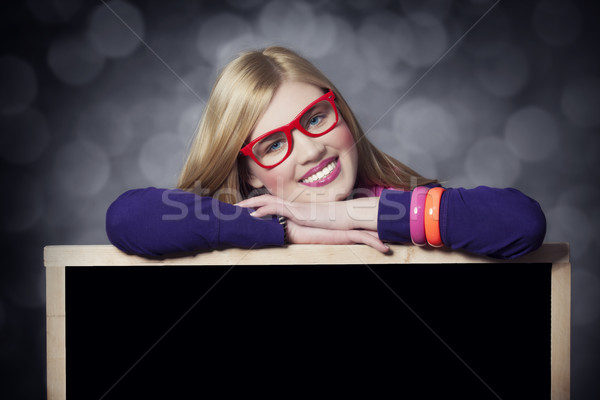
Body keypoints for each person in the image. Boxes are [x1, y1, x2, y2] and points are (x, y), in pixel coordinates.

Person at [106, 46, 546, 259]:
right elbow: (126, 220)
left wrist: (345, 215)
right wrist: (286, 229)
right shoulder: (232, 220)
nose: (312, 149)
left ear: (341, 114)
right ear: (252, 172)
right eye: (273, 144)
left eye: (315, 118)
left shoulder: (400, 204)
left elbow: (522, 223)